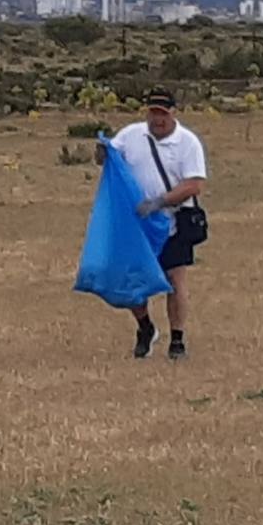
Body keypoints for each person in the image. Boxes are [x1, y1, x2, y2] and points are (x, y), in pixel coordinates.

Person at [98, 87, 207, 360]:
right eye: (153, 113)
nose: (157, 119)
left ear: (173, 114)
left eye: (163, 114)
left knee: (174, 278)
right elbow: (109, 160)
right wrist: (101, 152)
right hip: (137, 224)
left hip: (173, 221)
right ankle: (145, 327)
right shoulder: (131, 135)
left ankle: (178, 339)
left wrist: (160, 202)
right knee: (133, 279)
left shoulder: (188, 143)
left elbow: (194, 184)